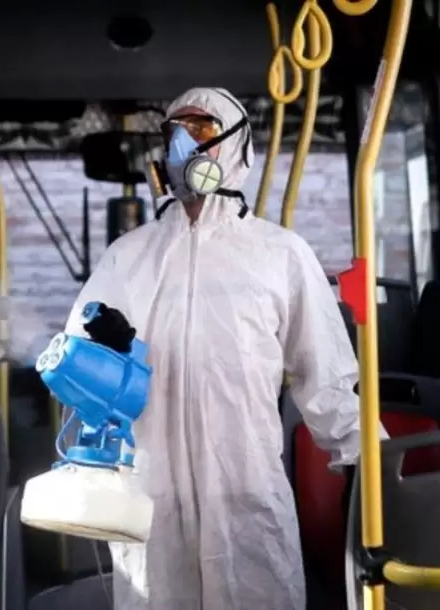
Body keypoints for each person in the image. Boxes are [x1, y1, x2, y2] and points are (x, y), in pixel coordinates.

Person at [64, 87, 365, 609]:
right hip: (152, 492)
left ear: (235, 147)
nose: (182, 145)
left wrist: (368, 463)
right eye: (173, 133)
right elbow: (78, 368)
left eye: (200, 129)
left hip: (245, 488)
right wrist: (97, 356)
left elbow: (327, 379)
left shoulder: (280, 255)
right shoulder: (128, 256)